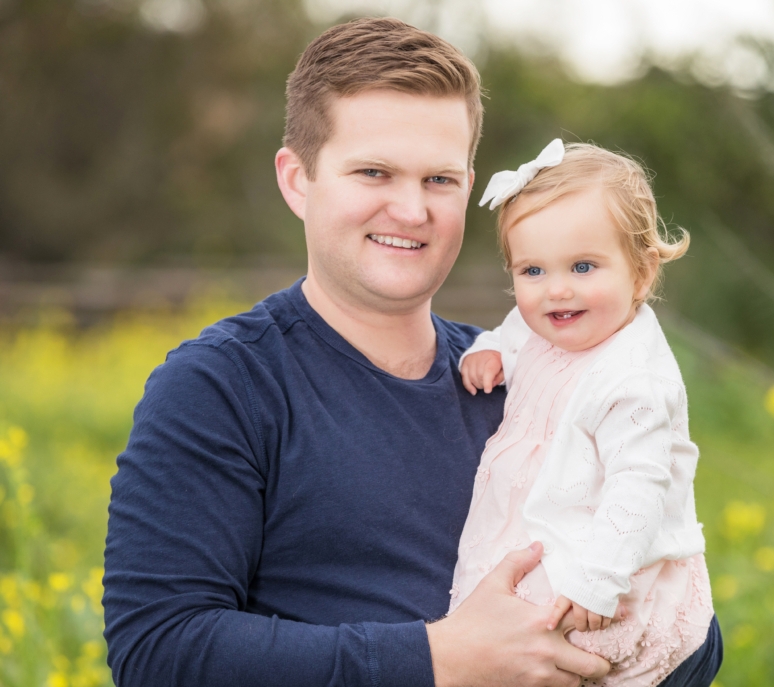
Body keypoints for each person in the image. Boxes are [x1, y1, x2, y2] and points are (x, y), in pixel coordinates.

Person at [102, 17, 612, 687]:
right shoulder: (220, 386)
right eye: (374, 172)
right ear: (297, 179)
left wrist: (638, 628)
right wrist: (439, 660)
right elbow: (158, 649)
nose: (410, 208)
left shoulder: (531, 379)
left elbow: (681, 625)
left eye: (439, 180)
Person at [451, 140, 723, 686]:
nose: (556, 290)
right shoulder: (551, 321)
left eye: (582, 266)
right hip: (554, 536)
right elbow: (516, 325)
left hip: (617, 583)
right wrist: (491, 347)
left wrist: (597, 581)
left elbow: (637, 489)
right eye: (531, 270)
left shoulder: (632, 380)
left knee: (582, 656)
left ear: (642, 273)